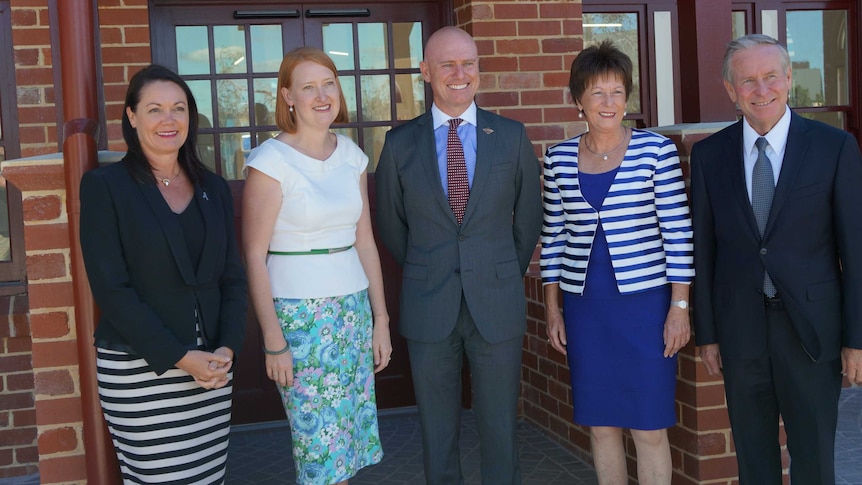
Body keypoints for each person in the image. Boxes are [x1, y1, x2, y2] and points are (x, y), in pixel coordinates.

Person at [691, 34, 862, 484]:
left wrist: (856, 338)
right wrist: (707, 334)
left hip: (811, 332)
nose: (760, 89)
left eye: (770, 77)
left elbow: (855, 250)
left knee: (814, 461)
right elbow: (704, 250)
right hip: (740, 330)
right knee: (754, 460)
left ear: (789, 80)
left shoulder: (834, 147)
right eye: (747, 80)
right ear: (731, 90)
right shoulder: (710, 157)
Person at [375, 26, 543, 485]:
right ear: (426, 71)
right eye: (446, 64)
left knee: (500, 428)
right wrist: (430, 262)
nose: (458, 73)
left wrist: (497, 265)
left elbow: (528, 217)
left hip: (497, 300)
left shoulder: (509, 136)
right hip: (429, 302)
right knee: (437, 430)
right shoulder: (399, 143)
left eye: (468, 63)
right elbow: (391, 225)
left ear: (479, 72)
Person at [79, 64, 247, 483]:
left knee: (207, 478)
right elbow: (111, 289)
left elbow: (232, 279)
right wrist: (179, 357)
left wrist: (226, 349)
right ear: (132, 117)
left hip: (210, 368)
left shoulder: (214, 187)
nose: (168, 120)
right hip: (140, 367)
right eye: (154, 109)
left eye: (178, 108)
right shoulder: (106, 187)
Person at [541, 40, 694, 485]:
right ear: (578, 102)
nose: (609, 103)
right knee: (602, 424)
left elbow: (679, 234)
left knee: (648, 426)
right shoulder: (557, 159)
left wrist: (679, 308)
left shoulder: (655, 152)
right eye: (597, 93)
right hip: (586, 309)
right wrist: (552, 308)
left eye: (617, 91)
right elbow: (552, 238)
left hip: (645, 310)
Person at [241, 47, 392, 485]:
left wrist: (380, 320)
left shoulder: (351, 155)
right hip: (300, 320)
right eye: (308, 87)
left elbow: (364, 240)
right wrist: (273, 339)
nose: (321, 95)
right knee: (319, 450)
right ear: (288, 96)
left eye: (329, 84)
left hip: (352, 312)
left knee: (347, 441)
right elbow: (254, 254)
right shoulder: (269, 163)